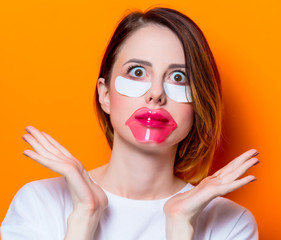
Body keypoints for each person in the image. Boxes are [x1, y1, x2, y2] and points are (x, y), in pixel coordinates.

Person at [0, 7, 259, 240]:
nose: (156, 93)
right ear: (105, 95)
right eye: (137, 72)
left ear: (198, 105)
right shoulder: (39, 203)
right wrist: (84, 218)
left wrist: (180, 226)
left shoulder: (231, 224)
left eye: (179, 77)